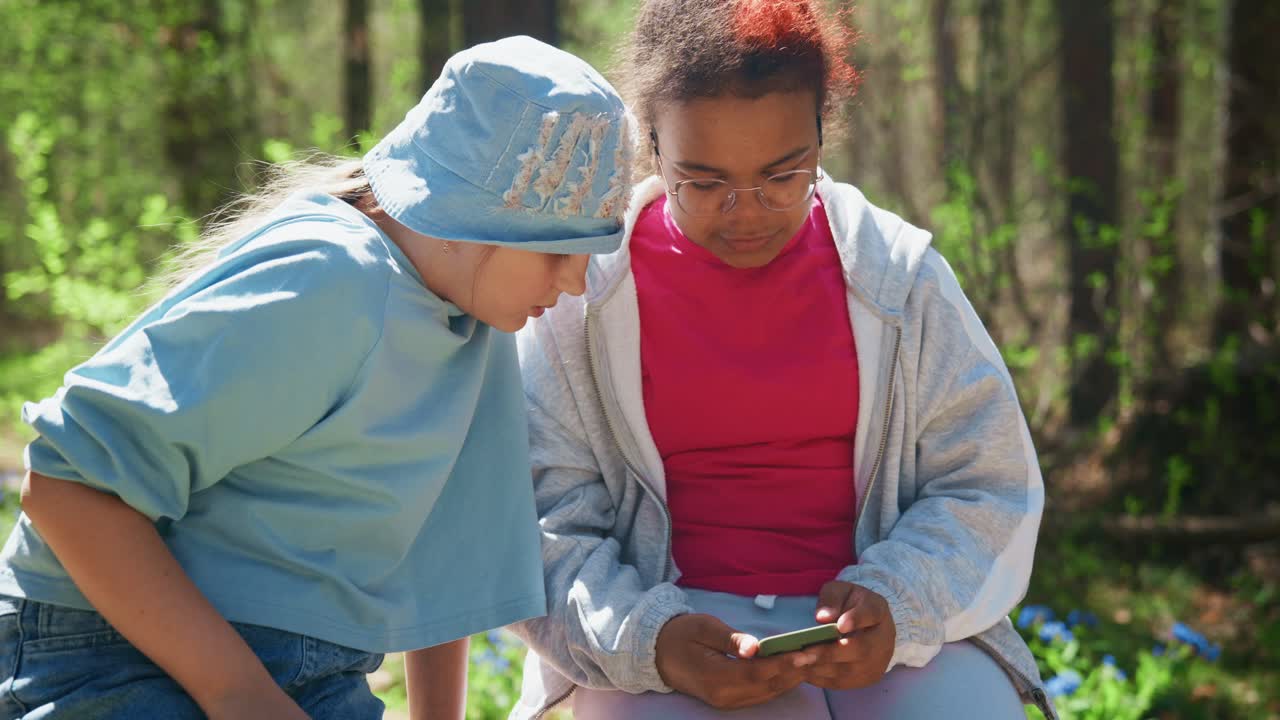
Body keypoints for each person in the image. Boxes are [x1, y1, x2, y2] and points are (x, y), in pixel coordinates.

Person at [0, 35, 633, 720]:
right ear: (465, 216)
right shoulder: (332, 278)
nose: (575, 283)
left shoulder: (475, 318)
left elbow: (444, 561)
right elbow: (67, 483)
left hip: (304, 677)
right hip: (105, 653)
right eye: (558, 250)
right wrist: (240, 696)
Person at [509, 2, 1057, 719]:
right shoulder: (581, 298)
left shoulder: (899, 279)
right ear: (649, 145)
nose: (747, 212)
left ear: (822, 137)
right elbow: (541, 525)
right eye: (704, 182)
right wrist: (653, 642)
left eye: (783, 175)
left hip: (889, 629)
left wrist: (897, 602)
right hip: (664, 638)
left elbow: (986, 483)